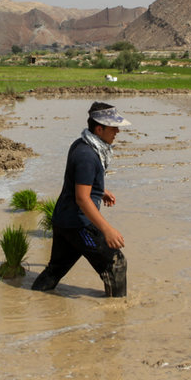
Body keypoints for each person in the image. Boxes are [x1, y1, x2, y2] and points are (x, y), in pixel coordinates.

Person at [31, 101, 130, 297]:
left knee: (56, 268)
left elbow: (78, 182)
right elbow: (82, 199)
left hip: (63, 219)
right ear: (99, 129)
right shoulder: (88, 155)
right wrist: (107, 230)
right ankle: (117, 315)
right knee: (116, 264)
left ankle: (33, 297)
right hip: (79, 224)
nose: (118, 131)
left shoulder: (82, 144)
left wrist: (100, 191)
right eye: (113, 127)